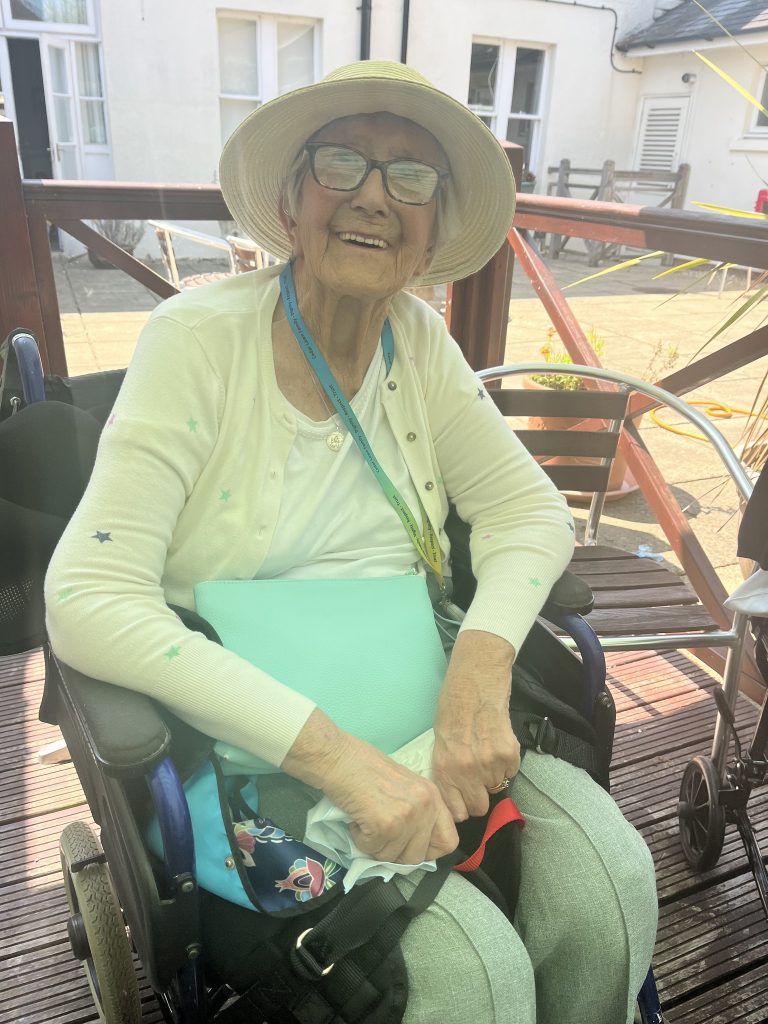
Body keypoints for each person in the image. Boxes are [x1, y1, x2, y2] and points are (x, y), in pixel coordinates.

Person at [45, 60, 657, 1023]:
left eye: (411, 177)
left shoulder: (420, 344)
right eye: (343, 163)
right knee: (468, 978)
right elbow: (84, 595)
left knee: (609, 891)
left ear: (430, 234)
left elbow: (528, 512)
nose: (375, 196)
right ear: (290, 204)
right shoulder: (195, 341)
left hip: (430, 715)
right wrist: (339, 761)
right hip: (252, 760)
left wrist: (480, 669)